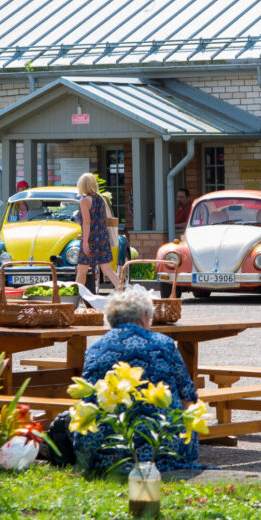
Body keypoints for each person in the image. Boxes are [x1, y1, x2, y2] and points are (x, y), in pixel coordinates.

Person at [70, 286, 200, 474]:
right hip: (163, 451)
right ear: (145, 316)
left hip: (102, 453)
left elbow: (87, 399)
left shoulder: (95, 348)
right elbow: (188, 397)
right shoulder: (164, 344)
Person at [75, 173, 123, 289]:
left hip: (90, 238)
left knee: (82, 270)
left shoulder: (84, 201)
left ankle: (77, 295)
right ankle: (122, 291)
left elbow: (87, 222)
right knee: (107, 269)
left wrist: (85, 242)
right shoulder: (100, 199)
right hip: (102, 237)